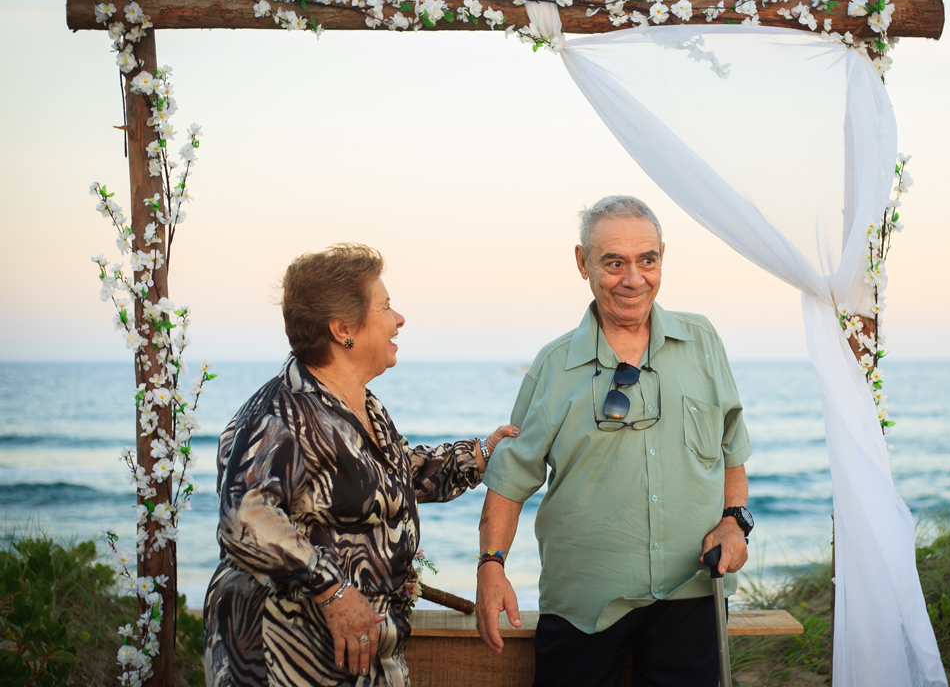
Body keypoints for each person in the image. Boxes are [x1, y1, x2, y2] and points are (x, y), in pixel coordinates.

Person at [203, 243, 518, 687]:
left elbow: (392, 479)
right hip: (286, 655)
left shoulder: (362, 405)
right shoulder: (283, 414)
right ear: (343, 329)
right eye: (386, 306)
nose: (399, 319)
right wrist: (332, 590)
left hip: (355, 654)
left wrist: (479, 455)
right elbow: (244, 518)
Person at [475, 196, 755, 686]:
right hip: (584, 603)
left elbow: (731, 447)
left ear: (662, 257)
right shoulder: (553, 365)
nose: (633, 278)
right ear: (582, 263)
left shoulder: (704, 340)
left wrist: (734, 522)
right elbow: (510, 479)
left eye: (647, 260)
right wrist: (491, 566)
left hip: (694, 595)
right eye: (614, 263)